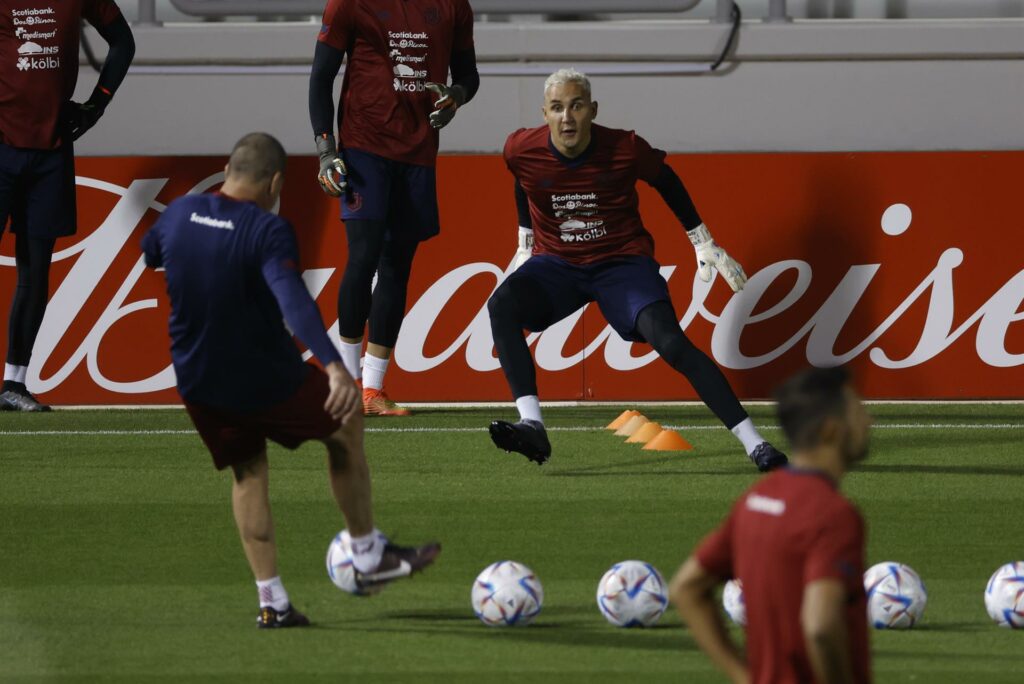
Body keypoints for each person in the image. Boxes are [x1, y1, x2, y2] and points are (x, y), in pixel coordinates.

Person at [141, 133, 440, 629]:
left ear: (228, 169)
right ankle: (366, 552)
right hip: (260, 373)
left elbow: (152, 254)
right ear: (275, 182)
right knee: (345, 427)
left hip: (196, 380)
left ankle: (272, 601)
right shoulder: (266, 229)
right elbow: (293, 301)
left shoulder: (177, 214)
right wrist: (333, 365)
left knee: (248, 473)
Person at [488, 68, 786, 471]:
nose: (567, 117)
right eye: (557, 108)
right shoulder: (519, 149)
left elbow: (666, 180)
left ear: (592, 110)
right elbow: (522, 180)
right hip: (557, 264)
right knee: (501, 305)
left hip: (621, 263)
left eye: (576, 106)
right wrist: (526, 243)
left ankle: (756, 444)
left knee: (671, 341)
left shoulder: (625, 148)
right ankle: (533, 425)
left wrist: (702, 240)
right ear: (545, 114)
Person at [308, 0, 479, 416]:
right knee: (363, 256)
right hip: (364, 147)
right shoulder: (349, 3)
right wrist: (326, 151)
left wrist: (454, 97)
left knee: (397, 266)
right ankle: (344, 384)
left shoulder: (454, 6)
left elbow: (469, 76)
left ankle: (373, 391)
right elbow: (320, 79)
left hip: (418, 152)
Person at [670, 365, 872, 684]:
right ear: (831, 430)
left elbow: (686, 588)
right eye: (858, 413)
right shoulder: (833, 515)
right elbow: (819, 624)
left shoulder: (754, 501)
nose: (867, 422)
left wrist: (744, 676)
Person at [0, 0, 135, 411]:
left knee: (35, 270)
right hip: (2, 146)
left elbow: (123, 43)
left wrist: (96, 106)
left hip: (51, 151)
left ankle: (13, 384)